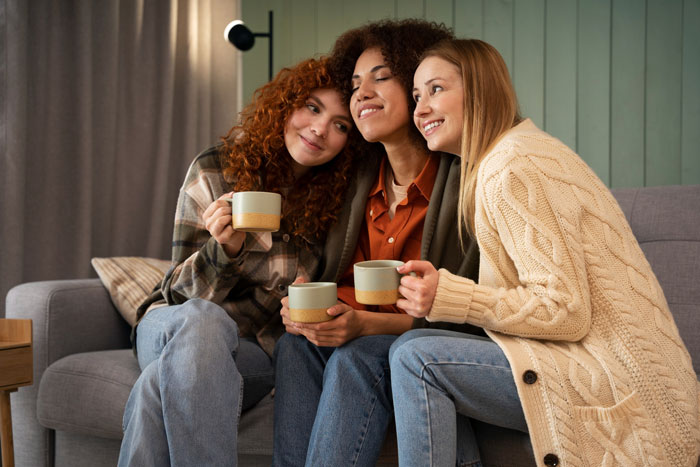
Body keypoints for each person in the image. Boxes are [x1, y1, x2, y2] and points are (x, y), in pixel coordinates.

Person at [390, 38, 700, 466]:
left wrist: (452, 296)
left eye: (436, 89)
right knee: (416, 345)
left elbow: (565, 310)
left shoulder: (513, 165)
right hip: (623, 374)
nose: (420, 109)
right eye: (417, 96)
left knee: (416, 358)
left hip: (623, 385)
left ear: (480, 90)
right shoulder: (516, 154)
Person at [117, 56, 368, 466]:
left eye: (341, 125)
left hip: (250, 346)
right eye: (312, 107)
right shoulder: (216, 167)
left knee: (154, 388)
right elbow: (181, 297)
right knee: (203, 321)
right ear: (285, 105)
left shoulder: (334, 205)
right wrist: (224, 251)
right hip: (172, 323)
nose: (320, 129)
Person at [272, 20, 482, 467]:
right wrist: (306, 309)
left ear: (420, 86)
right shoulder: (354, 185)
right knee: (295, 347)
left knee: (358, 356)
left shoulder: (469, 186)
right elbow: (328, 283)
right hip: (355, 337)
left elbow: (470, 322)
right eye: (355, 84)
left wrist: (365, 326)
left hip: (412, 346)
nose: (362, 92)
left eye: (381, 77)